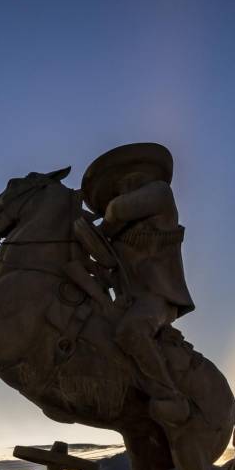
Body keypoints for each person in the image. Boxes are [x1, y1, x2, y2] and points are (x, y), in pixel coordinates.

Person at [80, 143, 194, 426]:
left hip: (158, 300)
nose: (122, 189)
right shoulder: (118, 233)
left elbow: (118, 210)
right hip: (127, 301)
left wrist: (97, 226)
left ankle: (169, 397)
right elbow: (103, 260)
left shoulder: (160, 196)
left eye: (128, 182)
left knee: (132, 331)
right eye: (118, 186)